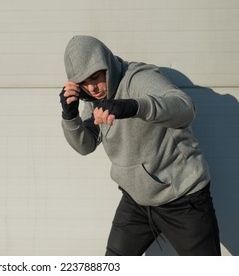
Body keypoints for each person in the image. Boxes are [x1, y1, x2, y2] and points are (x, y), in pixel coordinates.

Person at [59, 35, 221, 256]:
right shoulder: (94, 99)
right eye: (83, 83)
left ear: (105, 65)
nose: (92, 87)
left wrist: (135, 107)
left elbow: (185, 108)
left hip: (183, 198)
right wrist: (70, 117)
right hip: (136, 201)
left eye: (95, 77)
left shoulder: (138, 78)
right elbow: (85, 146)